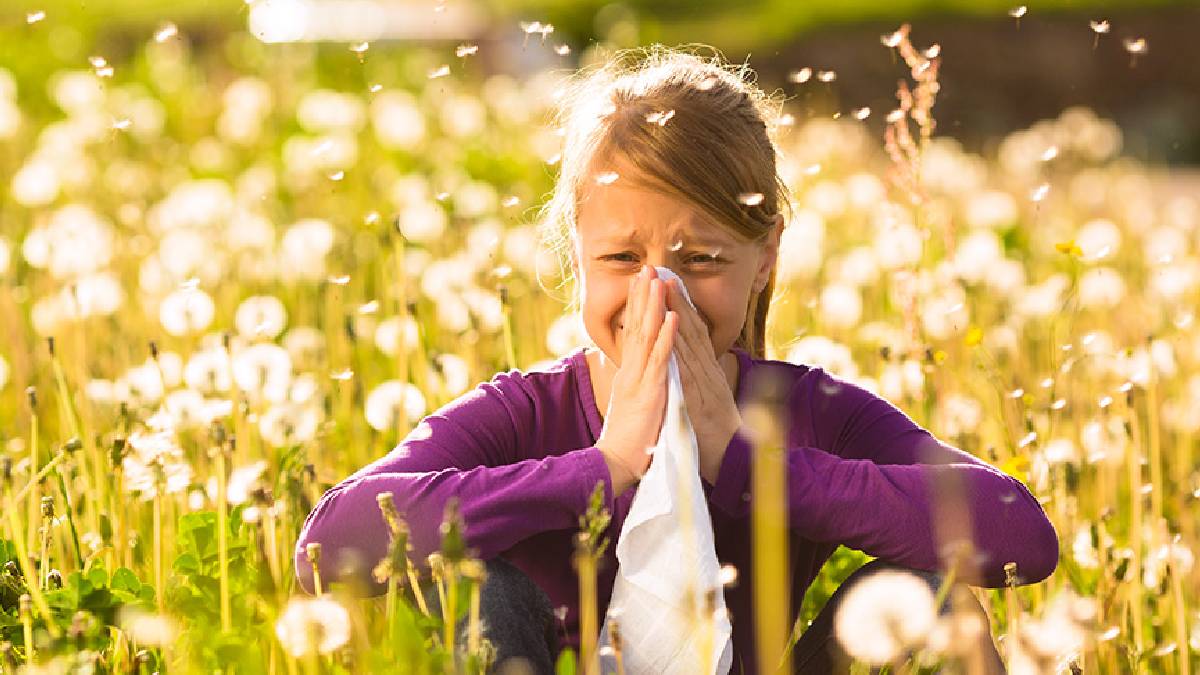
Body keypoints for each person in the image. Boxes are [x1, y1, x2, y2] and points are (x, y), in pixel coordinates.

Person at [294, 46, 1058, 674]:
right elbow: (328, 546)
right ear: (576, 253)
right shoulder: (526, 413)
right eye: (622, 257)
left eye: (701, 259)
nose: (659, 293)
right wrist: (603, 466)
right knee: (474, 588)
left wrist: (751, 465)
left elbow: (1021, 534)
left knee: (933, 595)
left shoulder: (806, 411)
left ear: (766, 257)